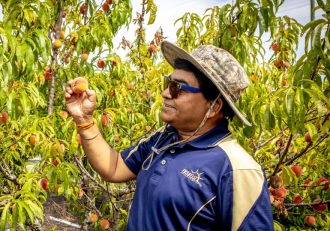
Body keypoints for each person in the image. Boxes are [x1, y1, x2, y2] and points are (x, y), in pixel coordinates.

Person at [64, 41, 273, 230]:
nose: (165, 94)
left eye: (177, 88)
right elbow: (114, 168)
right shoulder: (164, 139)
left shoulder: (237, 168)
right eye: (168, 84)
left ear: (213, 107)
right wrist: (84, 119)